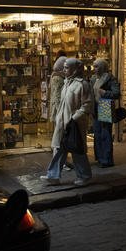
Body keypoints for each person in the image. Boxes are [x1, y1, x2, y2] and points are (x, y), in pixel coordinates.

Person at [40, 58, 93, 186]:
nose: (64, 70)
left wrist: (74, 118)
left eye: (67, 67)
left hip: (74, 124)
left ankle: (84, 176)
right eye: (63, 67)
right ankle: (53, 176)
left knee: (77, 150)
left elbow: (87, 105)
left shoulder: (82, 84)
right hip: (62, 122)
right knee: (59, 149)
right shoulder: (66, 82)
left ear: (75, 69)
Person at [90, 58, 120, 168]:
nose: (95, 68)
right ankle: (99, 157)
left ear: (103, 67)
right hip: (95, 107)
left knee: (105, 134)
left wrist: (105, 92)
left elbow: (116, 93)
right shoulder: (93, 79)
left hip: (105, 106)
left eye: (97, 66)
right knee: (97, 134)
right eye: (94, 66)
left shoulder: (110, 78)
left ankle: (107, 160)